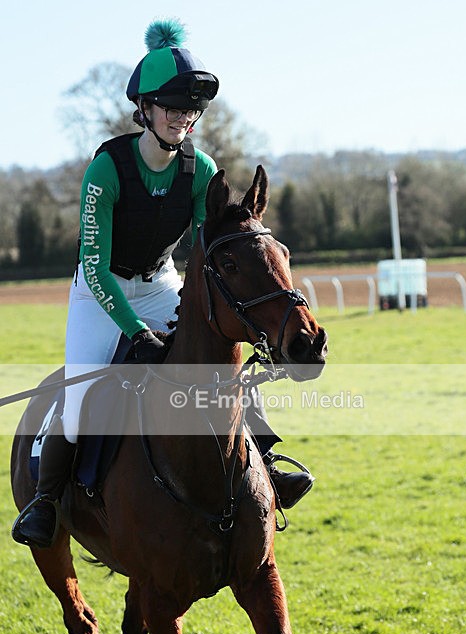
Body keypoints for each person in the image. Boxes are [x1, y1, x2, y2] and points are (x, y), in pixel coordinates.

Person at [13, 19, 313, 549]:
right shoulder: (106, 169)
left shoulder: (201, 170)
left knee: (219, 362)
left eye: (190, 109)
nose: (182, 117)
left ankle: (265, 463)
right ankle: (45, 501)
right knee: (82, 399)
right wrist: (134, 331)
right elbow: (97, 268)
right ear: (145, 109)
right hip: (99, 292)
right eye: (171, 106)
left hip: (160, 283)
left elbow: (209, 254)